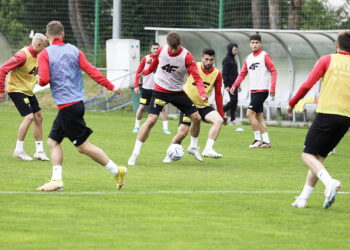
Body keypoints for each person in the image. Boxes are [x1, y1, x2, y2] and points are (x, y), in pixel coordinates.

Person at [36, 21, 127, 191]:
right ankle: (56, 180)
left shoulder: (45, 54)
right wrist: (111, 86)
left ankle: (117, 170)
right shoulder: (74, 50)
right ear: (63, 34)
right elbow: (92, 71)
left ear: (47, 36)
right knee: (52, 141)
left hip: (67, 107)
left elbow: (43, 81)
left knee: (82, 146)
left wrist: (37, 77)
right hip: (75, 104)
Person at [287, 31, 350, 209]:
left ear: (337, 45)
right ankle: (303, 199)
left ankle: (330, 183)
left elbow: (308, 84)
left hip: (327, 114)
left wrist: (292, 103)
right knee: (318, 158)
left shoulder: (327, 60)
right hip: (346, 118)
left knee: (306, 155)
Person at [128, 31, 208, 166]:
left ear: (180, 44)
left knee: (197, 118)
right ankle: (135, 154)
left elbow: (196, 77)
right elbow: (154, 65)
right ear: (167, 44)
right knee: (151, 120)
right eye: (170, 47)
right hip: (160, 90)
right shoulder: (161, 50)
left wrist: (202, 92)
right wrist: (146, 72)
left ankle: (193, 146)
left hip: (177, 92)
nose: (172, 50)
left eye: (174, 48)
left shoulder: (187, 57)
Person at [163, 48, 227, 163]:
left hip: (203, 105)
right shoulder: (193, 66)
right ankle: (169, 154)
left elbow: (218, 95)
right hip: (187, 104)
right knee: (182, 132)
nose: (208, 62)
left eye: (211, 60)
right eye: (206, 59)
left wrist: (221, 114)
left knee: (218, 120)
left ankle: (207, 149)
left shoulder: (217, 73)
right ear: (202, 58)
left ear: (214, 59)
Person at [0, 33, 50, 161]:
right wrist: (1, 90)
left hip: (27, 90)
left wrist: (41, 78)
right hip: (16, 89)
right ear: (38, 44)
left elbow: (33, 71)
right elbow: (3, 70)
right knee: (29, 117)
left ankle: (39, 151)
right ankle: (18, 150)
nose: (45, 50)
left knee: (38, 117)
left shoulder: (38, 56)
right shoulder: (22, 55)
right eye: (44, 47)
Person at [230, 33, 276, 148]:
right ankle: (266, 141)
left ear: (260, 44)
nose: (255, 44)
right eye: (253, 42)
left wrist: (273, 87)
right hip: (253, 91)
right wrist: (234, 85)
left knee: (249, 114)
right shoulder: (248, 58)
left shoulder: (265, 56)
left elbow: (273, 71)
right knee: (259, 116)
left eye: (257, 42)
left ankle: (257, 139)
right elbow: (242, 73)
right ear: (250, 44)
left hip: (262, 91)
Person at [133, 42, 171, 134]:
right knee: (141, 107)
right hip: (146, 88)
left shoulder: (163, 59)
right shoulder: (146, 58)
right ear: (151, 49)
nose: (155, 50)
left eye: (157, 49)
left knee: (162, 108)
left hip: (159, 89)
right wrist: (136, 85)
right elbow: (138, 72)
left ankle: (165, 128)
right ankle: (136, 126)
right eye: (154, 48)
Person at [222, 43, 239, 124]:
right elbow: (224, 73)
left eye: (237, 49)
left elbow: (235, 73)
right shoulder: (227, 60)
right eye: (235, 49)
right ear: (230, 50)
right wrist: (226, 85)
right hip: (230, 84)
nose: (236, 51)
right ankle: (220, 112)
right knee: (233, 100)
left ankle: (232, 119)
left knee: (235, 101)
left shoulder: (233, 59)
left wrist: (238, 84)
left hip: (235, 84)